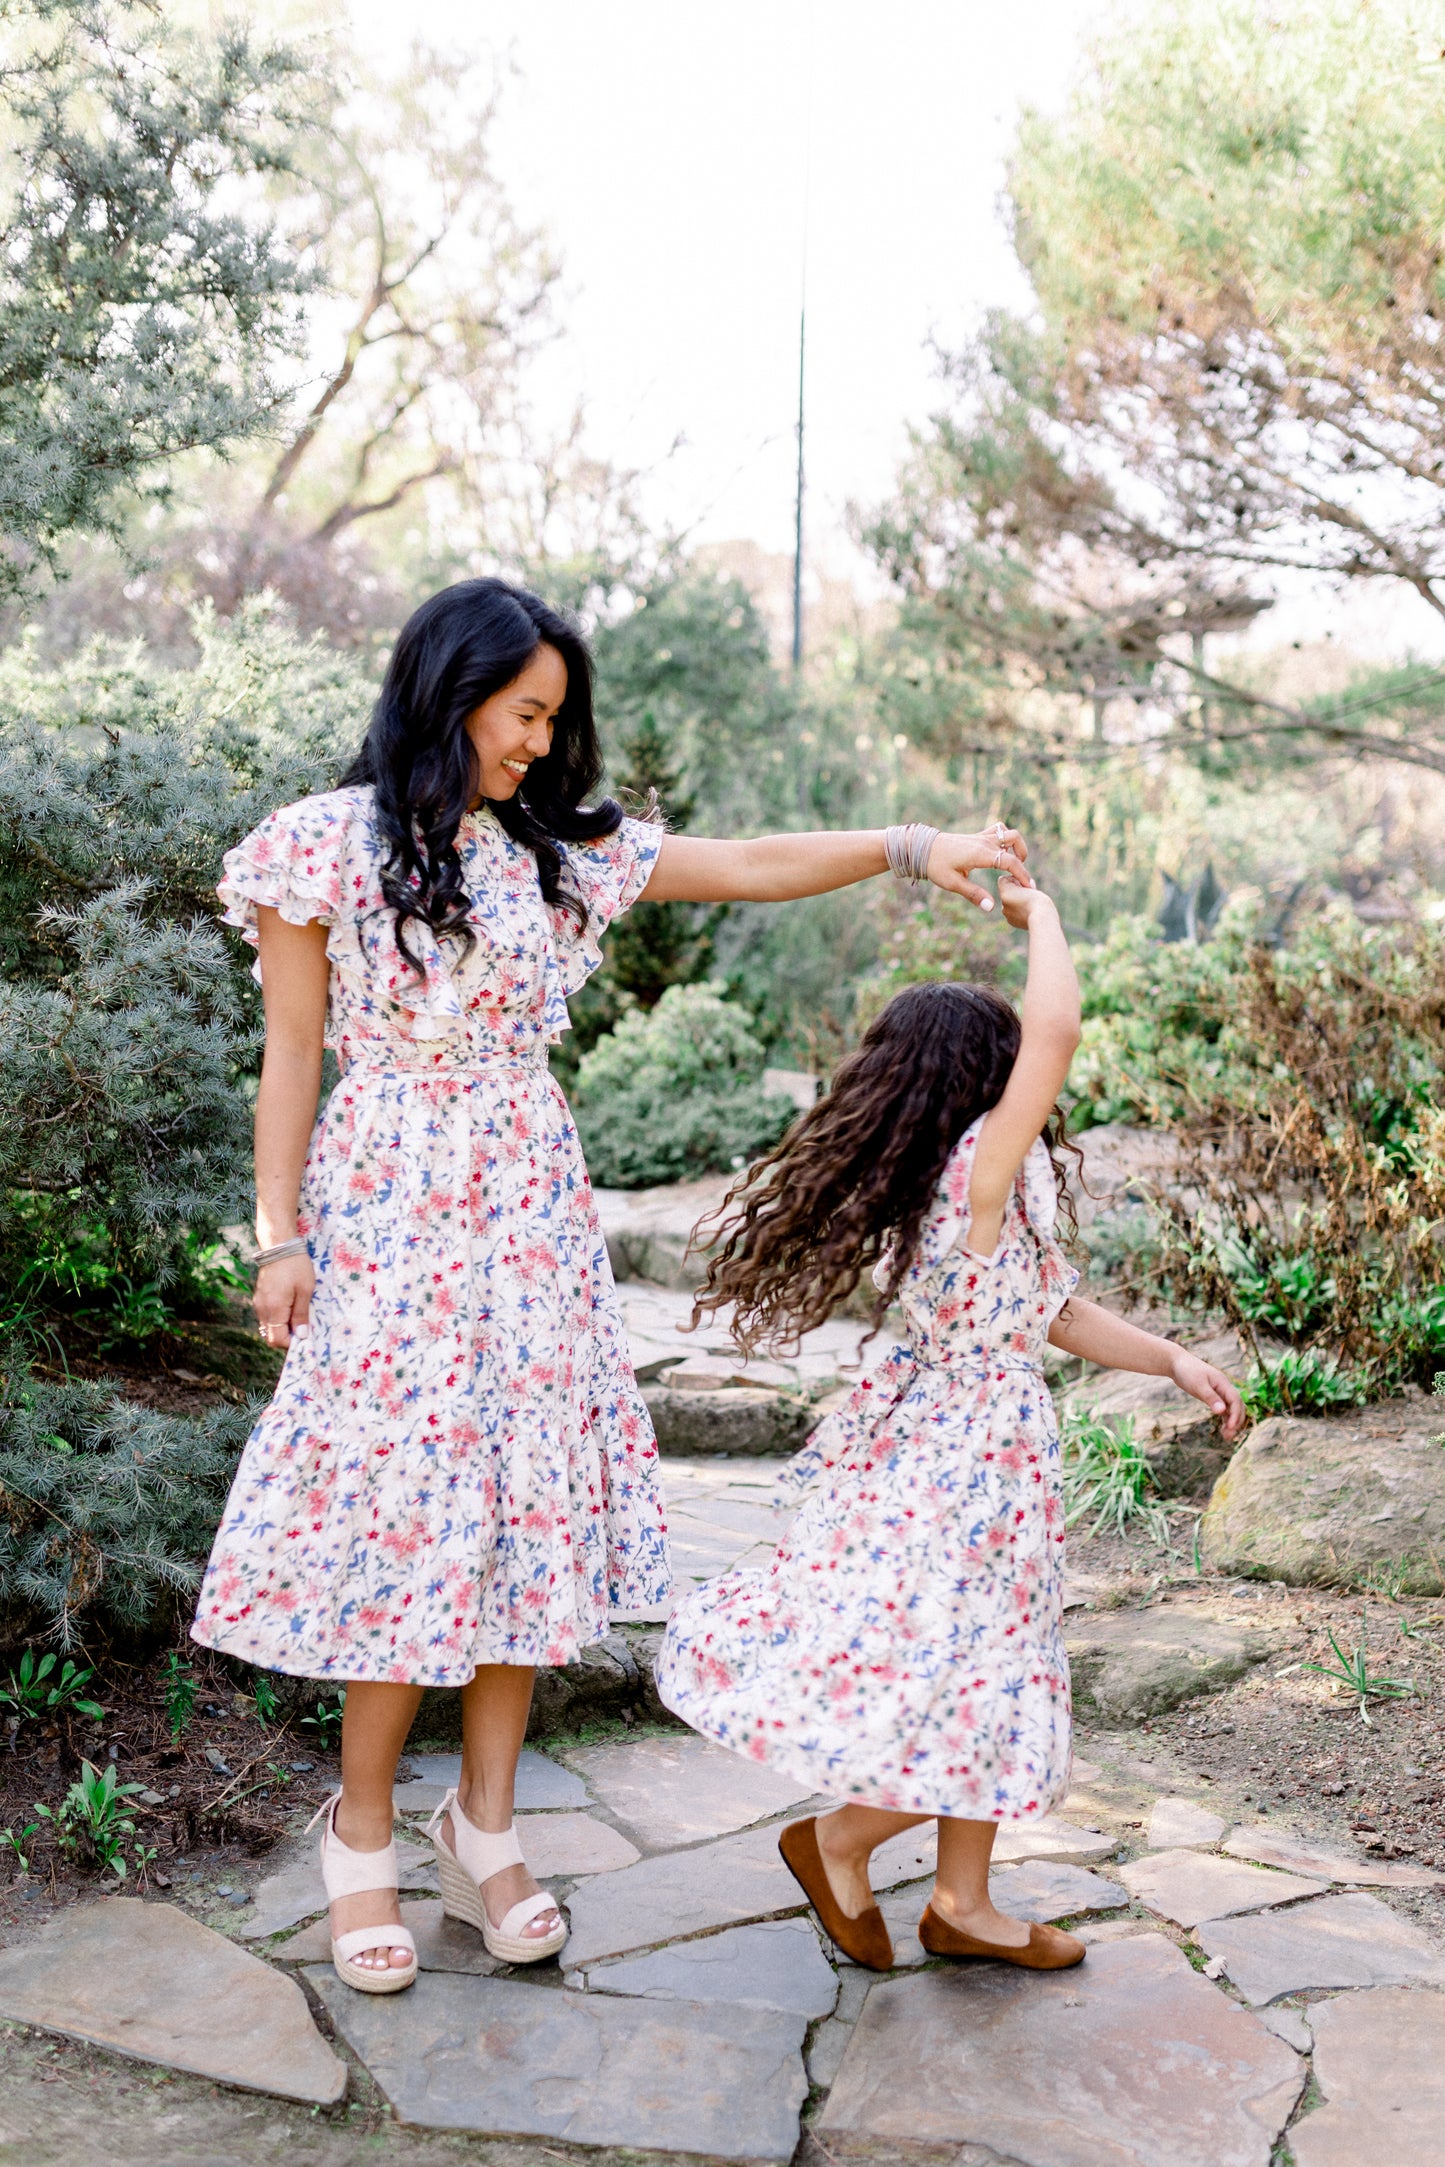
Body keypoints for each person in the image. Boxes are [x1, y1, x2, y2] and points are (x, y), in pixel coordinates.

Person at [189, 574, 1037, 1992]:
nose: (537, 743)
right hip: (389, 1213)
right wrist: (280, 1231)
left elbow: (752, 859)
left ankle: (488, 1827)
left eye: (552, 720)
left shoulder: (550, 854)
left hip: (527, 1217)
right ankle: (362, 1835)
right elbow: (291, 1050)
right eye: (524, 713)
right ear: (446, 689)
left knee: (528, 1515)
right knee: (405, 1521)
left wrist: (912, 844)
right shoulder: (319, 848)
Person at [656, 874, 1245, 1972]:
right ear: (980, 1079)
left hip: (959, 1448)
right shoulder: (974, 1173)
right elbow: (1060, 1025)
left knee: (992, 1664)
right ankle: (837, 1835)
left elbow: (1050, 1310)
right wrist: (1044, 916)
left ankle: (962, 1901)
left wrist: (1166, 1357)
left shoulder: (969, 1190)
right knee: (966, 1670)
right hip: (963, 1462)